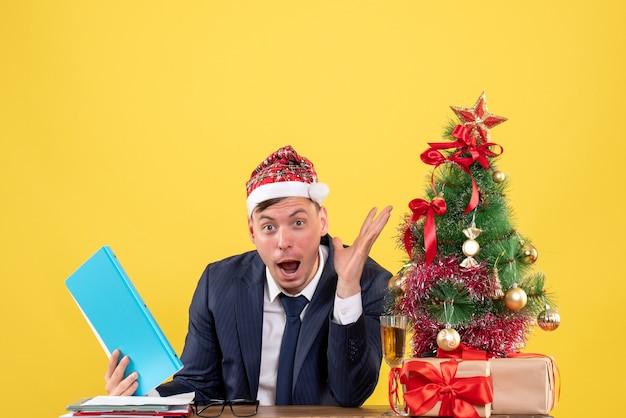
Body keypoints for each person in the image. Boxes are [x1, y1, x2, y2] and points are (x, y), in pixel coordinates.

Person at [104, 145, 393, 406]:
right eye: (269, 227)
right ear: (252, 231)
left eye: (298, 222)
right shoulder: (217, 284)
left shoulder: (367, 282)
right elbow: (197, 384)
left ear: (323, 221)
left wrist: (346, 288)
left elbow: (351, 394)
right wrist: (142, 398)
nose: (283, 242)